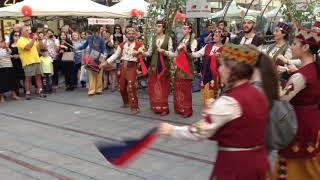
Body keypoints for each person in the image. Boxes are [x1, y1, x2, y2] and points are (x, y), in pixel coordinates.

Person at [159, 43, 279, 180]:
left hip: (235, 167)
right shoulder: (259, 93)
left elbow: (200, 131)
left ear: (232, 70)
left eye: (222, 65)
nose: (219, 69)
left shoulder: (229, 101)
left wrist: (171, 130)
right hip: (258, 163)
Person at [273, 26, 320, 180]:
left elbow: (281, 98)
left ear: (305, 47)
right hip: (312, 120)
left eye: (295, 44)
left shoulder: (300, 76)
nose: (292, 46)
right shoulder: (314, 68)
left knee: (296, 166)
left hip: (299, 123)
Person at [100, 26, 145, 114]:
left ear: (135, 35)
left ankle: (135, 107)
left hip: (132, 66)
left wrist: (139, 52)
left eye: (133, 34)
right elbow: (115, 55)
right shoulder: (122, 45)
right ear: (126, 35)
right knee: (122, 87)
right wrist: (105, 62)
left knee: (131, 87)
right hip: (123, 66)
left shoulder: (139, 44)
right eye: (129, 34)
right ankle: (126, 103)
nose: (131, 35)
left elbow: (142, 52)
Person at [143, 20, 173, 116]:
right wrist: (141, 53)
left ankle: (164, 108)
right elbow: (149, 53)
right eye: (156, 26)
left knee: (163, 86)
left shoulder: (168, 38)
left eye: (159, 26)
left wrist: (164, 51)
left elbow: (171, 53)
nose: (157, 28)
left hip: (164, 65)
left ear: (163, 28)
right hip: (154, 64)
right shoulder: (153, 38)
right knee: (154, 85)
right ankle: (155, 105)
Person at [169, 21, 198, 118]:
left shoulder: (193, 41)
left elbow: (192, 55)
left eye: (185, 28)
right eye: (183, 28)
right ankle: (179, 108)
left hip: (187, 67)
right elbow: (175, 54)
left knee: (186, 89)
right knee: (177, 88)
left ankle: (187, 110)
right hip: (179, 67)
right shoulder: (181, 40)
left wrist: (185, 49)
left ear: (190, 30)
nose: (183, 30)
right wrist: (167, 53)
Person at [192, 29, 226, 106]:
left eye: (217, 35)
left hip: (217, 76)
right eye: (214, 34)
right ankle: (207, 111)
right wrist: (189, 53)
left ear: (222, 38)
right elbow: (198, 54)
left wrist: (220, 58)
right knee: (205, 95)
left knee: (215, 96)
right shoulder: (208, 46)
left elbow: (226, 64)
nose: (214, 36)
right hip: (206, 73)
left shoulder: (225, 49)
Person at [17, 25, 46, 100]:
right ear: (21, 32)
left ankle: (40, 91)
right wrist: (33, 39)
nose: (28, 31)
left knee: (38, 77)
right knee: (28, 78)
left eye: (28, 30)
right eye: (26, 30)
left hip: (36, 60)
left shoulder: (31, 39)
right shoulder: (20, 40)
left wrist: (40, 40)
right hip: (28, 62)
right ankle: (27, 92)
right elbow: (27, 47)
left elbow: (40, 48)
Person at [78, 25, 107, 96]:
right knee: (91, 75)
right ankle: (91, 90)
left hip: (99, 58)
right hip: (91, 58)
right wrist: (78, 48)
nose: (95, 33)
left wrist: (105, 56)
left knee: (99, 74)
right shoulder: (89, 38)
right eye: (93, 32)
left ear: (98, 31)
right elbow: (84, 45)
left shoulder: (101, 39)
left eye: (96, 32)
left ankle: (99, 89)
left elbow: (104, 49)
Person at [9, 31, 25, 96]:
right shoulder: (9, 44)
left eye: (18, 35)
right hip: (12, 63)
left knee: (23, 76)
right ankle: (16, 91)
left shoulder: (21, 44)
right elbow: (6, 53)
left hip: (21, 62)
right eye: (15, 35)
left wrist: (19, 56)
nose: (17, 37)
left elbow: (25, 53)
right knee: (15, 78)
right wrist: (11, 56)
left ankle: (26, 90)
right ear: (12, 36)